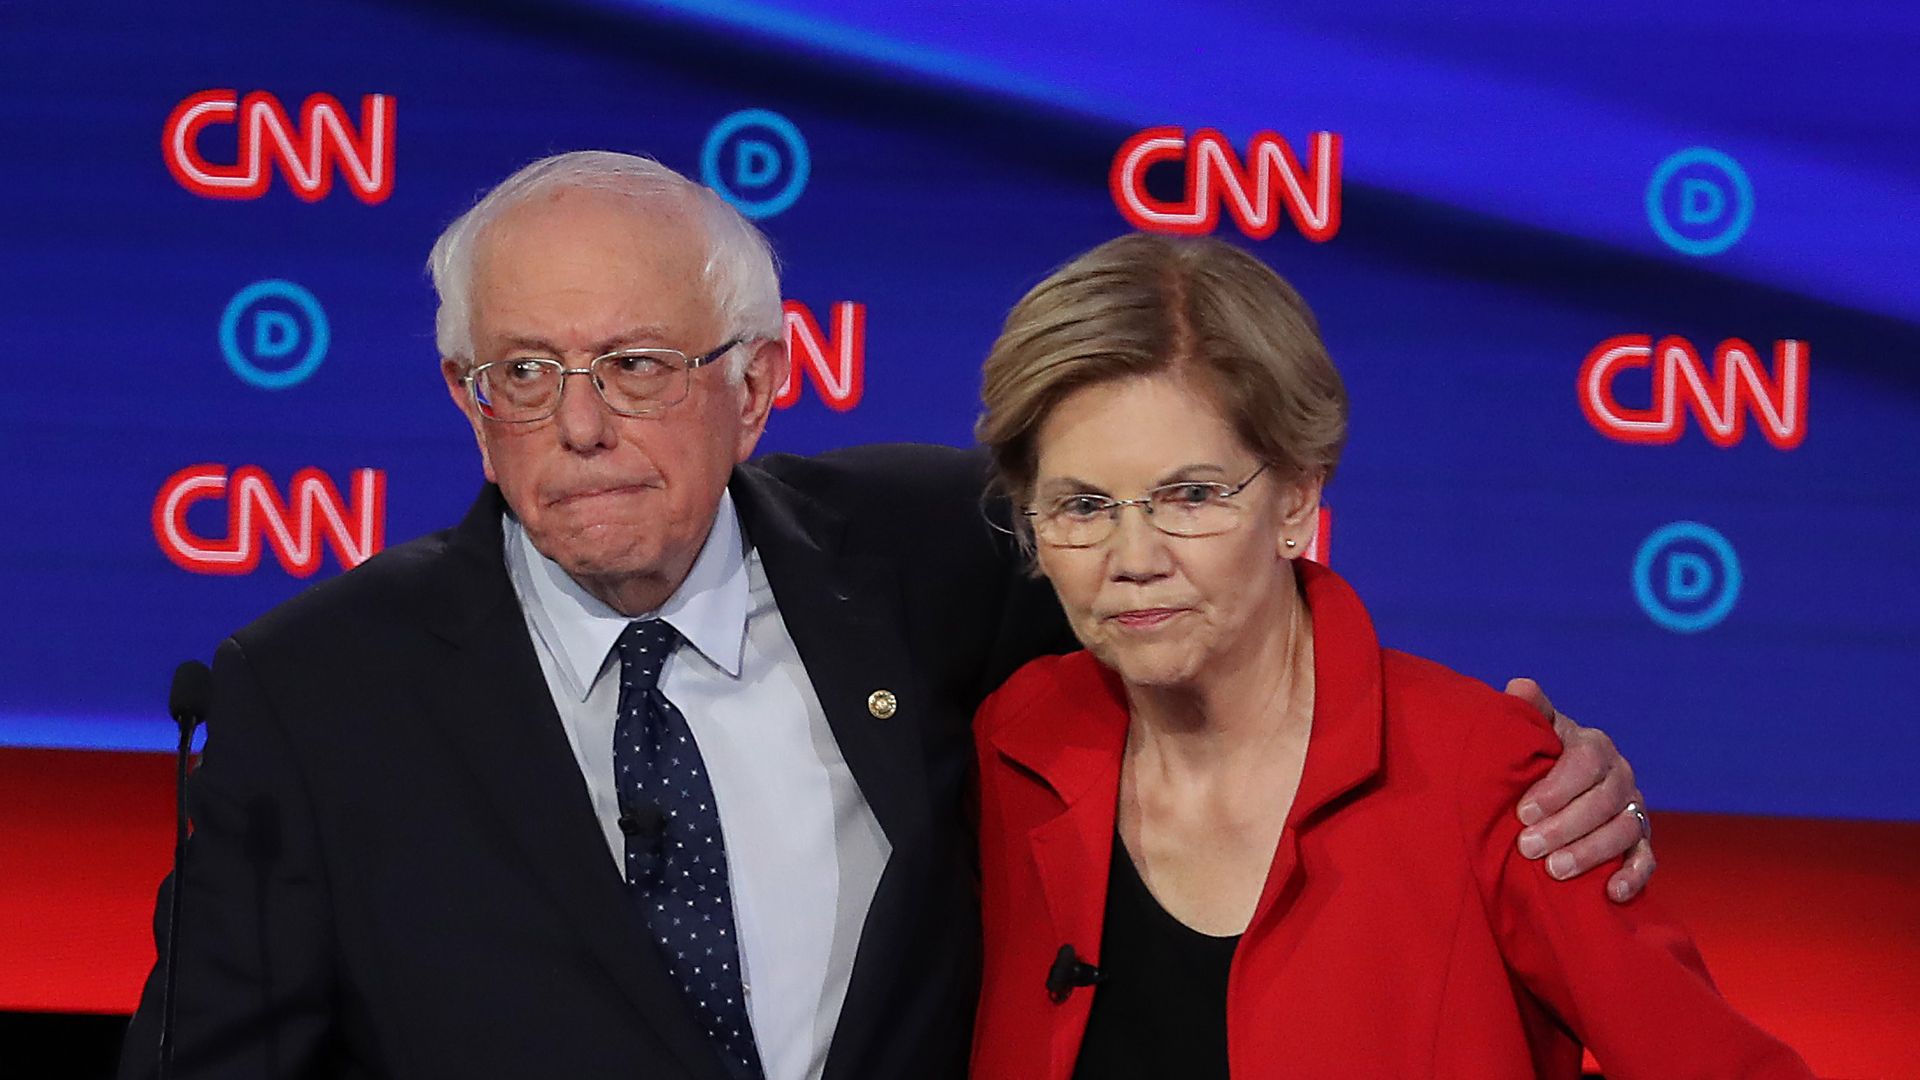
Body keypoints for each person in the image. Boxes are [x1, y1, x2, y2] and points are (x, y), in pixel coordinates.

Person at [119, 153, 1650, 1080]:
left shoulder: (935, 556)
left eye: (638, 364)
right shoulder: (310, 697)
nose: (577, 424)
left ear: (760, 383)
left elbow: (1217, 618)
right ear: (466, 398)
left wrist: (1520, 760)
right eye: (522, 372)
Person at [968, 233, 1812, 1079]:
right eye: (1081, 506)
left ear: (1297, 497)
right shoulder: (1010, 745)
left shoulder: (1491, 779)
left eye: (1191, 495)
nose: (1135, 555)